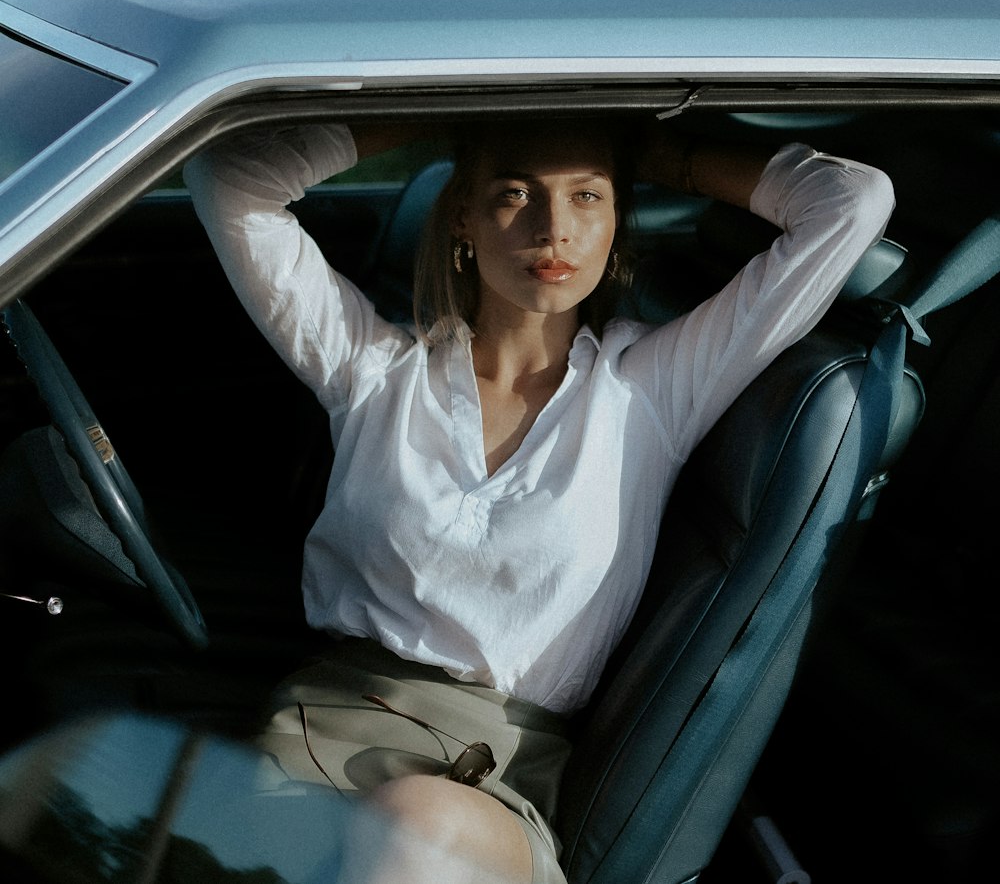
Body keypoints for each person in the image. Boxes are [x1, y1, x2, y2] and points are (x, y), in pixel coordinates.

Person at [183, 114, 894, 884]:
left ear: (619, 219)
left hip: (483, 783)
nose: (554, 229)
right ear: (462, 215)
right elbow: (230, 177)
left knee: (416, 823)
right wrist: (445, 117)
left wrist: (654, 149)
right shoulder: (375, 372)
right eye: (515, 193)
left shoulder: (649, 391)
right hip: (316, 736)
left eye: (587, 197)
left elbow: (850, 202)